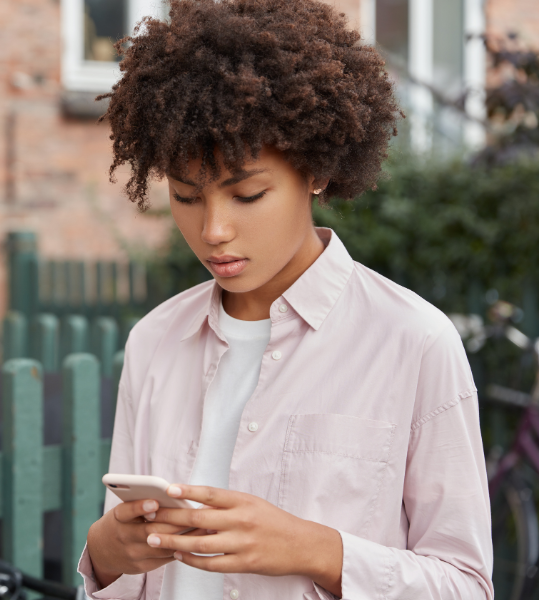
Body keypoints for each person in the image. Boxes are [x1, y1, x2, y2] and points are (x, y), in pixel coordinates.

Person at [78, 0, 494, 598]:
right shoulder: (154, 340)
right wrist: (104, 556)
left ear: (315, 171)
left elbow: (467, 586)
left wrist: (317, 551)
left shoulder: (414, 342)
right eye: (187, 197)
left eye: (247, 194)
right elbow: (127, 569)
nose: (213, 229)